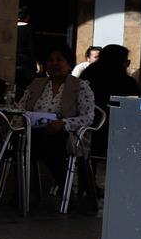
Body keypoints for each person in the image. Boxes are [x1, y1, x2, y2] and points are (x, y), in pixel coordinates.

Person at [20, 45, 97, 185]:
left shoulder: (80, 86)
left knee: (49, 142)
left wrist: (64, 123)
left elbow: (88, 117)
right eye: (50, 60)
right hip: (35, 130)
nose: (54, 63)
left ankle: (61, 185)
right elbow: (21, 107)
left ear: (69, 65)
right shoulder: (37, 84)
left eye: (59, 60)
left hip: (67, 134)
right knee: (20, 142)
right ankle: (24, 190)